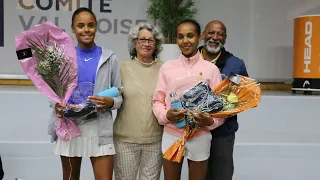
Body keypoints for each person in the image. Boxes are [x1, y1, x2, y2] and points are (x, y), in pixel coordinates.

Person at [51, 7, 122, 180]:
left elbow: (119, 96)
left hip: (99, 128)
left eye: (90, 25)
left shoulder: (109, 57)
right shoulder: (63, 57)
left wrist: (111, 103)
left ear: (96, 28)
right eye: (80, 25)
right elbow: (54, 95)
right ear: (73, 29)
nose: (86, 30)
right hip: (70, 127)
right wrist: (56, 106)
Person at [152, 19, 225, 180]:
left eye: (190, 36)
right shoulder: (167, 68)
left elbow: (220, 111)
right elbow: (157, 101)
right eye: (180, 36)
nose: (185, 41)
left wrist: (210, 122)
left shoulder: (211, 70)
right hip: (172, 134)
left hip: (200, 136)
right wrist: (166, 116)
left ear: (200, 37)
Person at [113, 22, 164, 180]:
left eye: (151, 40)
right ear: (134, 42)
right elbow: (111, 97)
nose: (146, 44)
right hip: (125, 141)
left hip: (155, 141)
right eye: (142, 39)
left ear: (156, 44)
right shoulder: (120, 66)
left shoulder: (165, 69)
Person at [199, 20, 249, 180]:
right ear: (203, 35)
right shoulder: (190, 60)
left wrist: (229, 107)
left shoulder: (235, 64)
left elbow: (244, 94)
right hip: (196, 131)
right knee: (199, 176)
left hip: (223, 133)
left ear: (225, 38)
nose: (215, 37)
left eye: (220, 34)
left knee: (222, 175)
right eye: (211, 33)